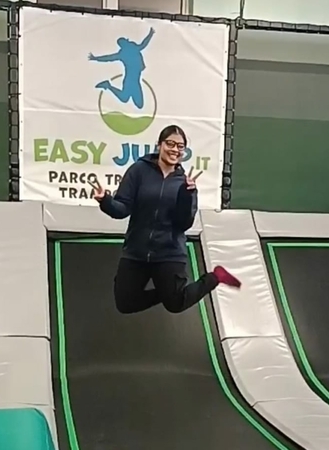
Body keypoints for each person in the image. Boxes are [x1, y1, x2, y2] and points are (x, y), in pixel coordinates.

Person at [93, 124, 241, 315]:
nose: (175, 149)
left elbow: (184, 223)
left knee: (176, 304)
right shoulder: (138, 171)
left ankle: (215, 277)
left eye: (180, 146)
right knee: (125, 303)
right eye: (170, 143)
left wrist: (187, 194)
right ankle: (167, 293)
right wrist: (105, 200)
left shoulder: (185, 183)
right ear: (159, 145)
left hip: (169, 253)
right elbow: (121, 209)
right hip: (136, 252)